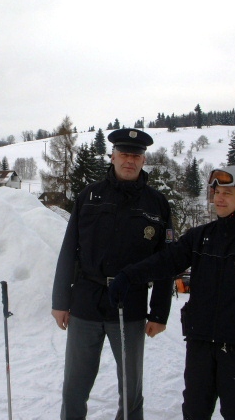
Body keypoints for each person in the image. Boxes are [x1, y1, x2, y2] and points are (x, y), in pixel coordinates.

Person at [109, 165, 235, 420]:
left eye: (227, 192)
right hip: (201, 339)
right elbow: (165, 261)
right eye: (215, 192)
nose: (219, 198)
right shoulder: (200, 236)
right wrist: (128, 275)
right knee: (194, 410)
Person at [51, 128, 174, 420]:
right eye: (124, 154)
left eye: (136, 155)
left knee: (131, 387)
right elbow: (69, 250)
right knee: (75, 386)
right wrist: (60, 300)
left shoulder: (157, 204)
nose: (129, 160)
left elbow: (166, 261)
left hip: (130, 305)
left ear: (144, 160)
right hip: (85, 302)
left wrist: (159, 312)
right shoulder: (89, 196)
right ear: (112, 156)